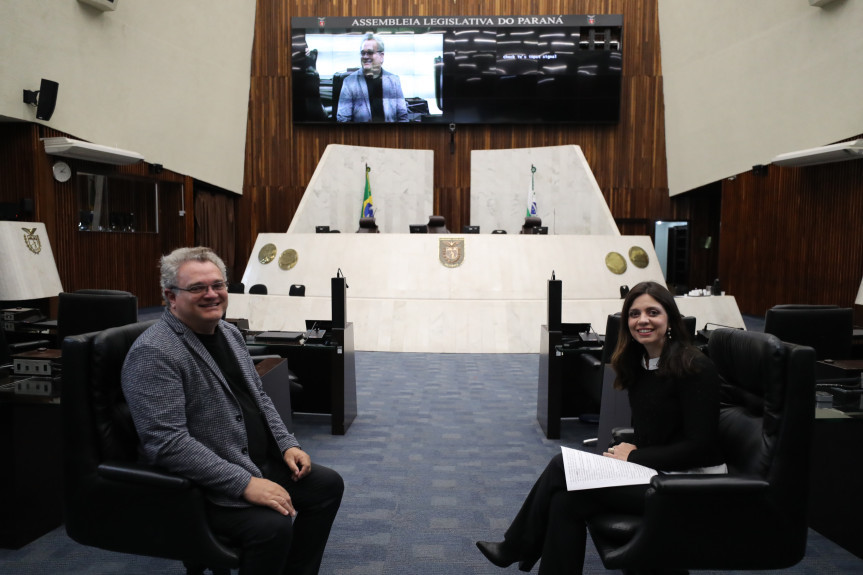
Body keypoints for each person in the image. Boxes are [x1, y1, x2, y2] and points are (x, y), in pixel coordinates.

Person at [476, 281, 726, 574]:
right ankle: (520, 547)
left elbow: (699, 447)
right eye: (634, 314)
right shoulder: (641, 364)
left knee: (561, 465)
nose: (642, 320)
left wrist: (634, 457)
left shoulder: (694, 366)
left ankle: (515, 546)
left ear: (670, 318)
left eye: (652, 312)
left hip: (691, 485)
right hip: (658, 471)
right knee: (565, 501)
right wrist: (637, 448)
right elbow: (658, 430)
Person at [121, 247, 343, 575]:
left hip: (253, 459)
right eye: (198, 288)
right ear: (171, 296)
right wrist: (245, 483)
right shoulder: (155, 353)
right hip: (204, 483)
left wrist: (287, 444)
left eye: (218, 285)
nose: (212, 294)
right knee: (272, 526)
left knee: (327, 486)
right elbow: (166, 443)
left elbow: (259, 398)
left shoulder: (228, 333)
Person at [336, 32, 409, 123]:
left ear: (381, 56)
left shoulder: (394, 81)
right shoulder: (350, 82)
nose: (365, 57)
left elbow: (403, 117)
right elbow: (343, 120)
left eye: (370, 53)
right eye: (363, 53)